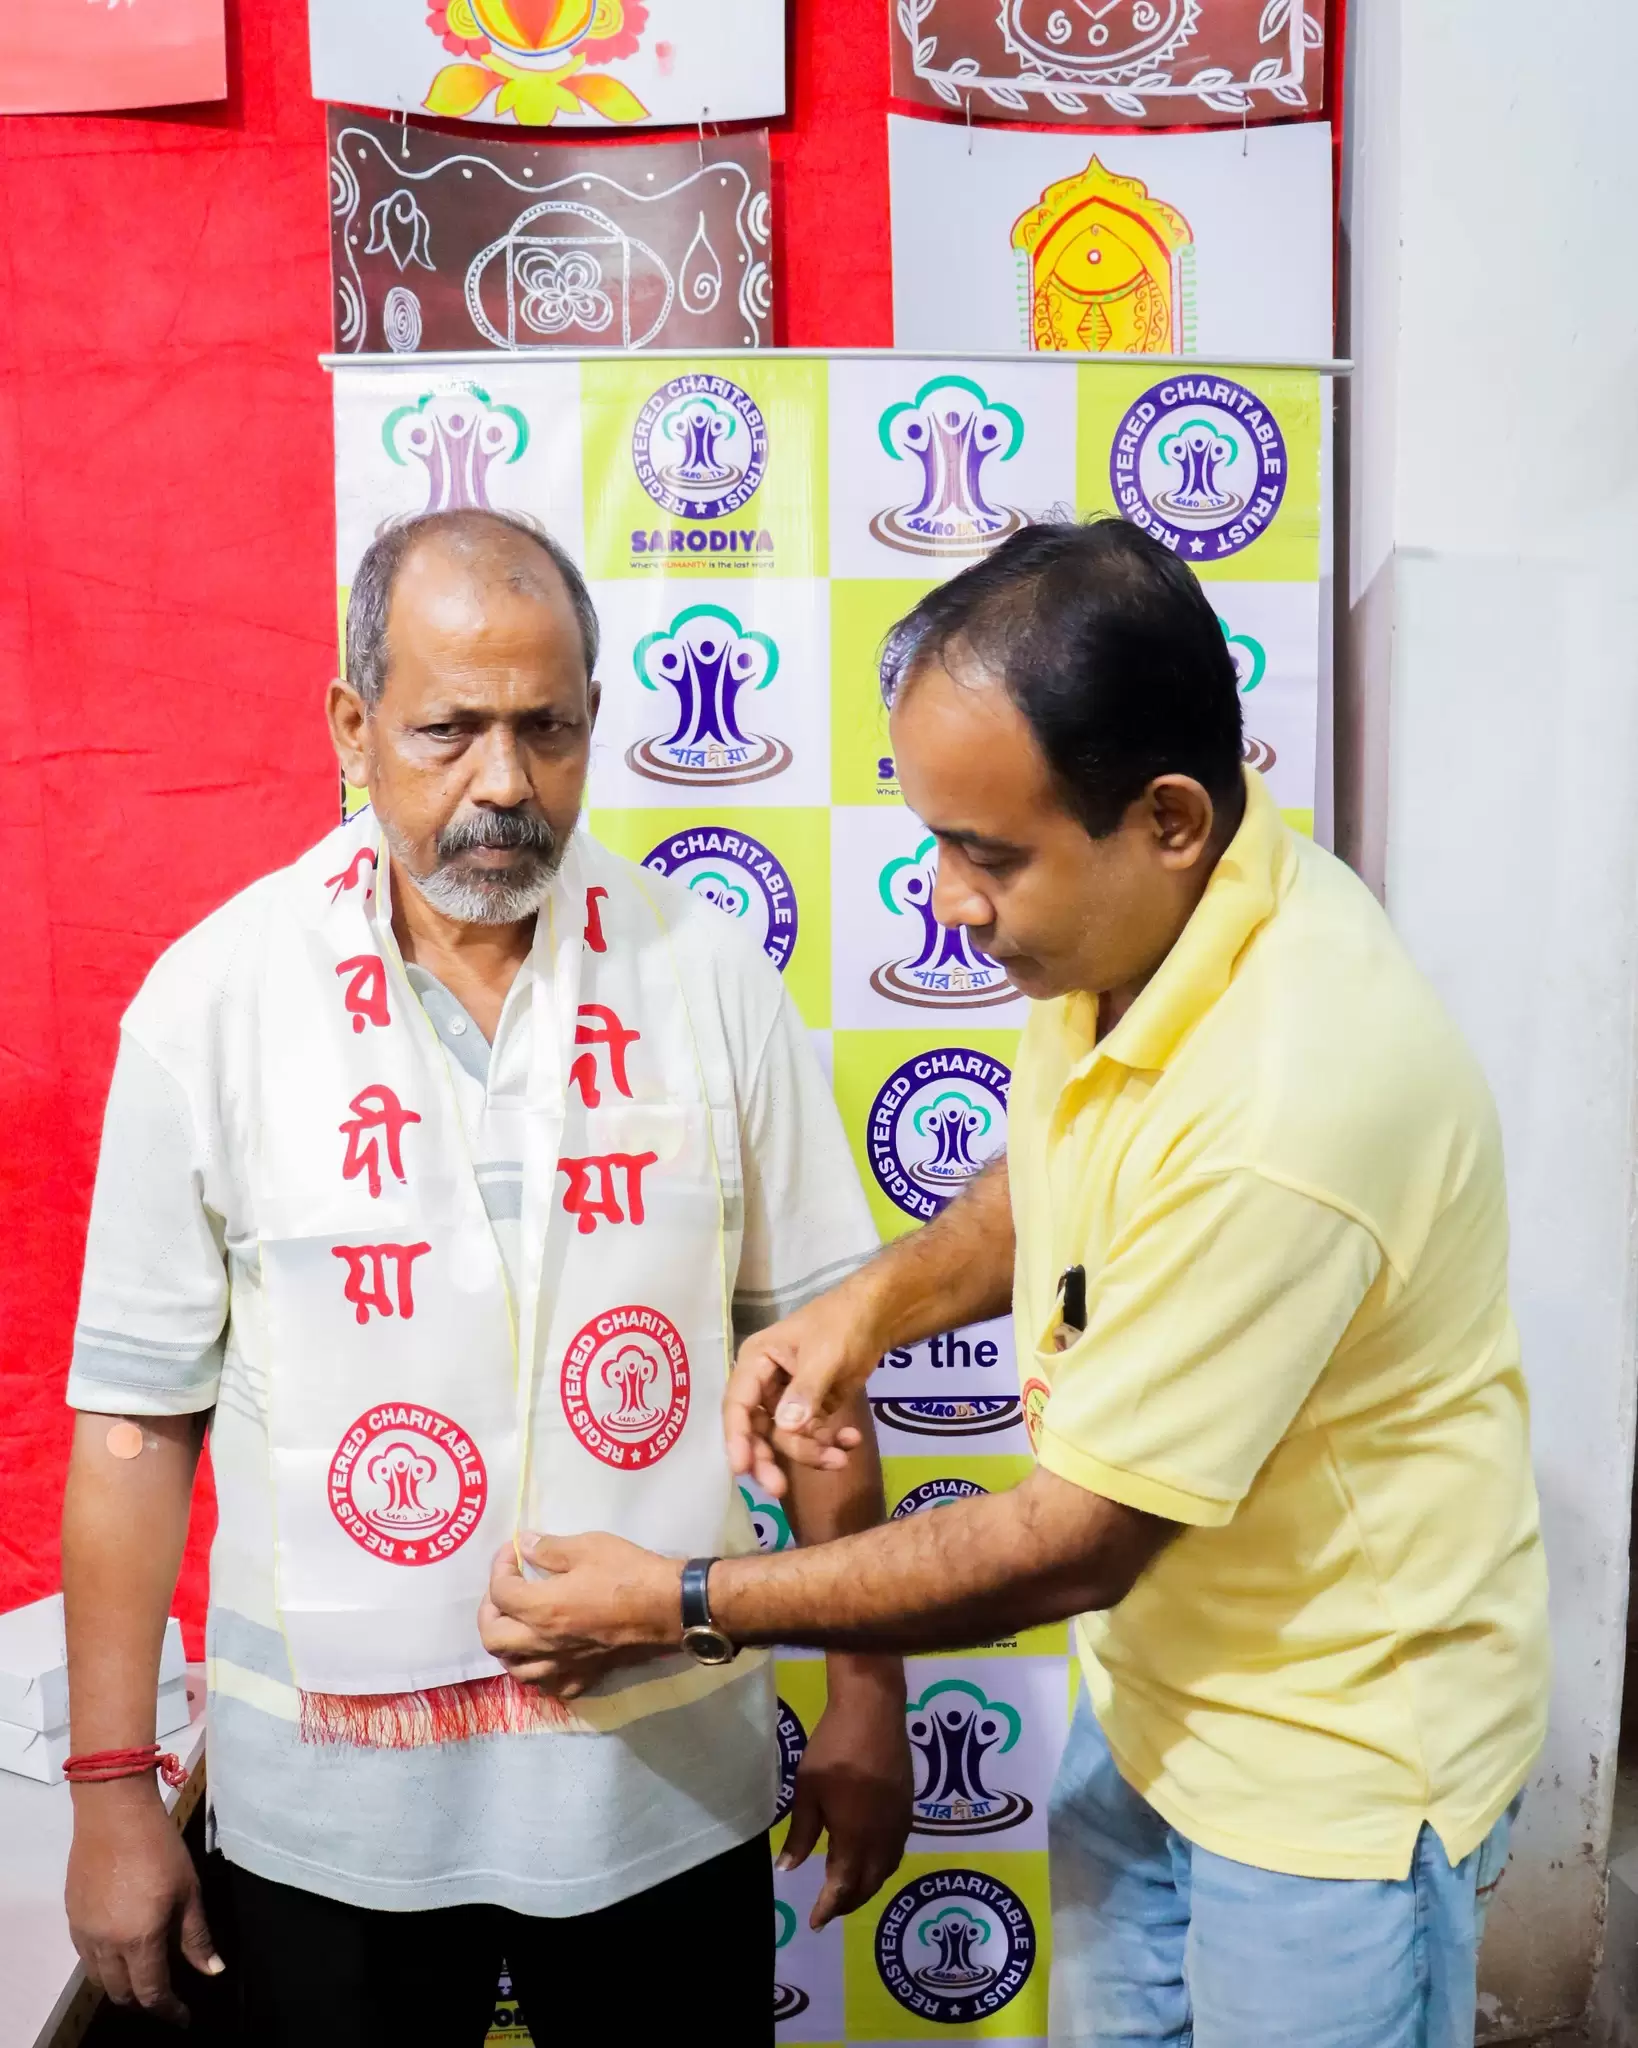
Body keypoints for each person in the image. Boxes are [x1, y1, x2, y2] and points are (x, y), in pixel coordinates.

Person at [475, 518, 1552, 2048]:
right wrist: (868, 1307)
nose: (949, 900)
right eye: (936, 840)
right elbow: (1053, 1174)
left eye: (987, 854)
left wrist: (681, 1600)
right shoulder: (1146, 929)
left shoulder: (1291, 1101)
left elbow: (1070, 1544)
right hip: (1164, 1707)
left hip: (1333, 1773)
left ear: (1166, 817)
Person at [59, 509, 910, 2045]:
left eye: (548, 729)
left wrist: (867, 1694)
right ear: (354, 724)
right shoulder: (216, 1003)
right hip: (330, 1820)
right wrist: (114, 1791)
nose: (505, 782)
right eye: (448, 730)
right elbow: (135, 1422)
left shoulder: (705, 978)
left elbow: (817, 1373)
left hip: (657, 1792)